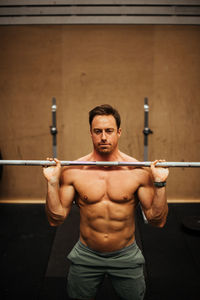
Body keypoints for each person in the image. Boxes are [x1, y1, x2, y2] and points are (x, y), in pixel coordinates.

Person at [43, 104, 169, 300]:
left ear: (118, 132)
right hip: (86, 255)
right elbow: (55, 219)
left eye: (109, 131)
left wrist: (160, 183)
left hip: (125, 255)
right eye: (97, 131)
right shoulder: (74, 171)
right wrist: (52, 183)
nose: (103, 137)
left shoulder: (137, 172)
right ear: (91, 133)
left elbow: (157, 220)